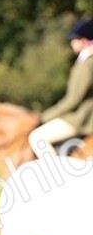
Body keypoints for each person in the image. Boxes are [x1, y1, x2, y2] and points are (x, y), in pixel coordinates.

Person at [29, 17, 93, 156]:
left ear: (84, 41)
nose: (71, 42)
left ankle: (55, 176)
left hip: (82, 119)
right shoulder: (85, 62)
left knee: (37, 138)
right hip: (82, 116)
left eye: (74, 39)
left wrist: (44, 117)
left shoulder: (87, 65)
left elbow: (73, 100)